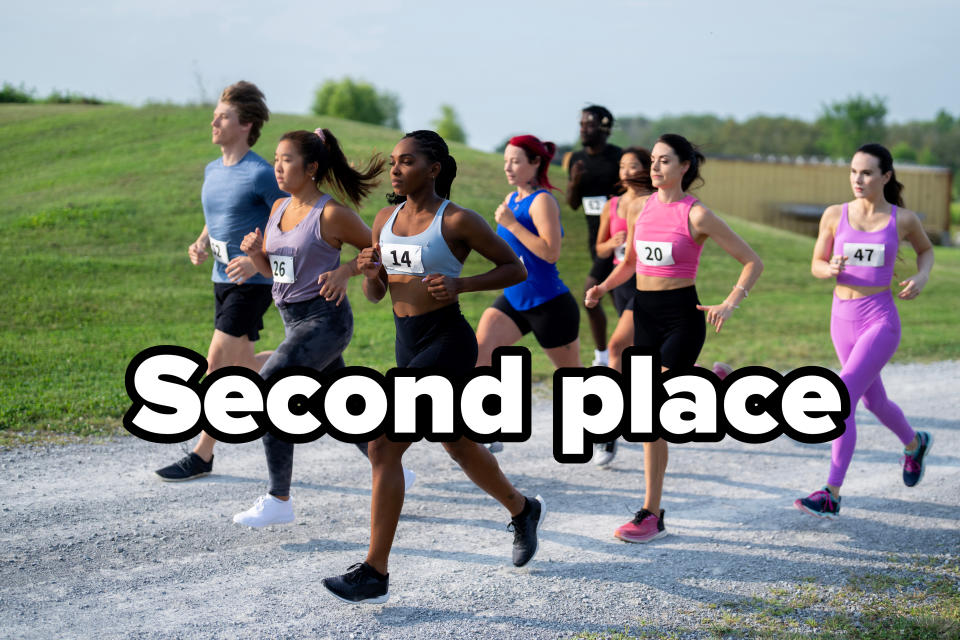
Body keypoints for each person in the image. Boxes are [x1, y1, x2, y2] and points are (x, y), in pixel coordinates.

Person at [321, 130, 545, 604]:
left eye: (406, 162)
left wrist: (462, 285)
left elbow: (516, 268)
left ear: (434, 169)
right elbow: (378, 294)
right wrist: (371, 272)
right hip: (409, 343)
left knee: (383, 444)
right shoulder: (384, 218)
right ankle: (523, 509)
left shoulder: (458, 220)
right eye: (394, 163)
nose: (395, 170)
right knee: (457, 443)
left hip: (447, 341)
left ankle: (374, 571)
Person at [586, 134, 763, 542]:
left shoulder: (696, 215)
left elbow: (752, 260)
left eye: (665, 161)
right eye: (653, 160)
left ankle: (651, 512)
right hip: (644, 314)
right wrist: (602, 287)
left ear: (685, 166)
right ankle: (653, 512)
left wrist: (731, 302)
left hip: (681, 317)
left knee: (647, 409)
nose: (655, 167)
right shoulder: (640, 207)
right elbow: (630, 261)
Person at [229, 127, 410, 526]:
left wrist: (346, 270)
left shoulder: (330, 214)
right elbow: (281, 273)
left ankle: (279, 499)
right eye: (276, 159)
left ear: (311, 167)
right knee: (340, 409)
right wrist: (257, 256)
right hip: (294, 322)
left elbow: (378, 250)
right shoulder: (278, 209)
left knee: (272, 385)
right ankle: (393, 466)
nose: (278, 167)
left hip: (326, 321)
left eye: (287, 160)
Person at [794, 143, 934, 519]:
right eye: (854, 171)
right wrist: (830, 268)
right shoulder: (834, 215)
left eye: (867, 172)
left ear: (886, 176)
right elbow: (816, 264)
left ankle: (831, 492)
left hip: (879, 319)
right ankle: (914, 442)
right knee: (873, 402)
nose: (858, 179)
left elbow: (926, 250)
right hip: (841, 317)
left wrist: (921, 276)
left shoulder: (901, 220)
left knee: (842, 398)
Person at [155, 81, 284, 482]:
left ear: (245, 124)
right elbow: (218, 218)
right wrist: (199, 241)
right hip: (220, 279)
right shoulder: (214, 170)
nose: (213, 121)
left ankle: (203, 454)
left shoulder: (261, 173)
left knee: (216, 366)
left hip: (252, 284)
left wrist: (254, 259)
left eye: (223, 116)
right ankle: (303, 363)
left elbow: (288, 221)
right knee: (244, 365)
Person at [476, 135, 581, 454]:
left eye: (516, 161)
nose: (508, 166)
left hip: (550, 304)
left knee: (571, 382)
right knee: (481, 352)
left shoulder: (542, 201)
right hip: (514, 298)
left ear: (535, 163)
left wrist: (511, 223)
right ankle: (490, 426)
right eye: (506, 160)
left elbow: (551, 253)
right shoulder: (510, 199)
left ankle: (604, 425)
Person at [591, 147, 654, 466]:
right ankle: (713, 379)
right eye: (622, 166)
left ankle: (607, 432)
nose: (626, 172)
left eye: (633, 166)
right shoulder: (613, 205)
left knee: (616, 347)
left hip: (649, 283)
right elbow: (600, 249)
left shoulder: (656, 204)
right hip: (622, 281)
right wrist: (613, 243)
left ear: (647, 169)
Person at [566, 106, 622, 366]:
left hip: (617, 240)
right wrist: (575, 181)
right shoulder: (577, 159)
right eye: (581, 124)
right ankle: (627, 352)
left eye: (589, 125)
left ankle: (603, 357)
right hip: (594, 240)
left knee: (591, 293)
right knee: (620, 299)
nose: (583, 129)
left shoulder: (617, 158)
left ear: (605, 129)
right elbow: (573, 204)